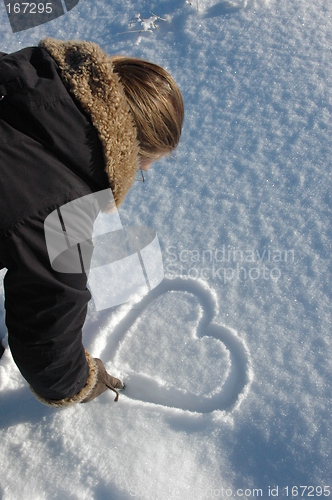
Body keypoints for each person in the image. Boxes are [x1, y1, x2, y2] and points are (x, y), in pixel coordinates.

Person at [0, 38, 184, 407]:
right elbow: (48, 348)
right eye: (142, 170)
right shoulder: (62, 213)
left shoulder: (15, 74)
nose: (137, 178)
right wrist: (85, 381)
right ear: (127, 153)